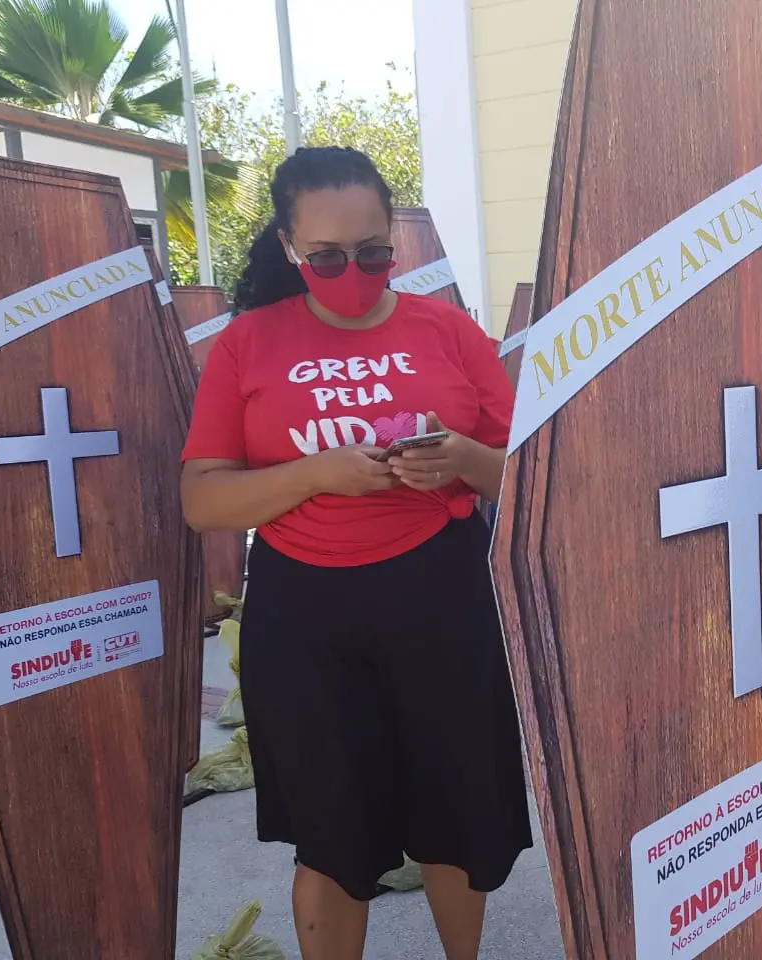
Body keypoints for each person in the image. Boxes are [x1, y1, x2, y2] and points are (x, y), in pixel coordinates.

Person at [180, 145, 532, 960]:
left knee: (456, 819)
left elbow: (527, 472)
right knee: (332, 839)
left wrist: (461, 461)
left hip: (438, 597)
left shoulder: (445, 329)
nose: (356, 272)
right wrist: (317, 474)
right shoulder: (247, 344)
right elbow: (204, 498)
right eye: (329, 257)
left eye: (375, 253)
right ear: (288, 248)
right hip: (304, 616)